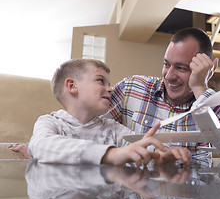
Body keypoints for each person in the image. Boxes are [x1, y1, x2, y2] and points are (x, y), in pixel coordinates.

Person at [109, 27, 220, 163]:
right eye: (166, 64)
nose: (169, 76)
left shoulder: (212, 107)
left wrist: (200, 87)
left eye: (181, 68)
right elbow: (90, 126)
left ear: (205, 70)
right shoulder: (131, 88)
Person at [23, 59, 191, 165]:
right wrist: (110, 154)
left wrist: (165, 154)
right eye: (100, 81)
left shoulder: (112, 129)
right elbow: (39, 145)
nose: (110, 89)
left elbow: (137, 147)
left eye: (109, 83)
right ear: (72, 86)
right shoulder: (50, 122)